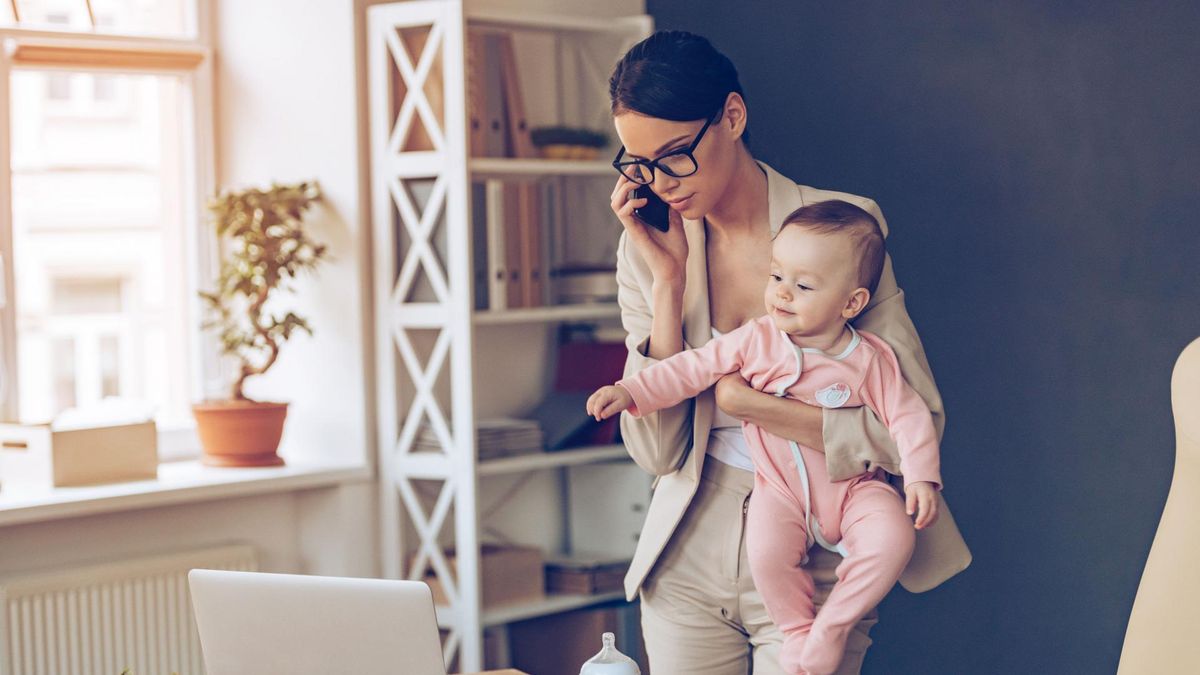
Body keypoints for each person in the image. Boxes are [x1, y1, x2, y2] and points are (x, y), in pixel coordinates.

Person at [606, 30, 971, 675]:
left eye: (674, 156)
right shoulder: (648, 252)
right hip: (688, 548)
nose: (658, 184)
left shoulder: (843, 228)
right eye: (638, 164)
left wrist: (750, 406)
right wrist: (667, 287)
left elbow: (912, 424)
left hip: (820, 550)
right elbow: (658, 453)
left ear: (733, 117)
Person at [590, 200, 940, 674]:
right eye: (776, 277)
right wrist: (630, 389)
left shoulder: (869, 358)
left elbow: (909, 416)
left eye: (803, 285)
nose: (782, 294)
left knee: (894, 537)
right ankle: (798, 632)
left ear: (852, 303)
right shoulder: (756, 339)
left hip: (855, 490)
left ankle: (831, 627)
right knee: (767, 553)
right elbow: (693, 368)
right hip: (777, 493)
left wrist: (921, 479)